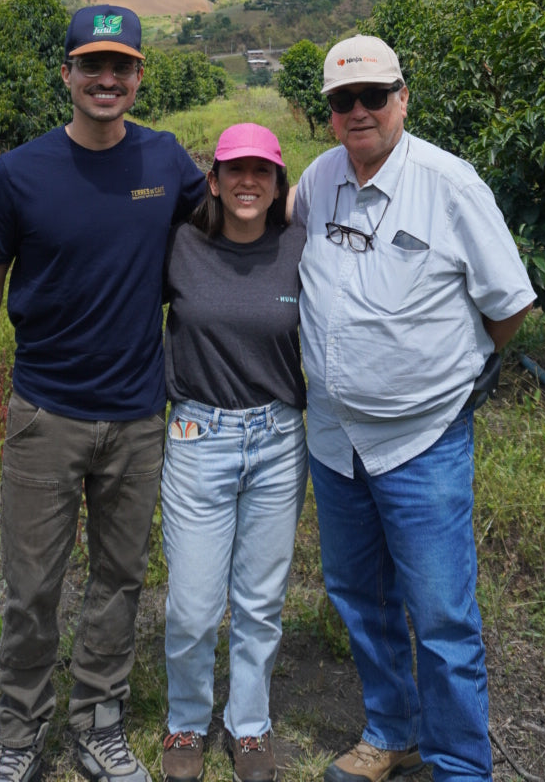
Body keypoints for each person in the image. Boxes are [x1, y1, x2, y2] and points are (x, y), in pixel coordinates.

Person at [0, 5, 207, 782]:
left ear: (138, 77)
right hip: (45, 415)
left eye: (121, 66)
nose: (106, 79)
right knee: (33, 588)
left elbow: (240, 218)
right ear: (65, 74)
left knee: (119, 581)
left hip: (136, 416)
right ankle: (20, 735)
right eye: (91, 65)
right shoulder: (21, 172)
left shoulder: (166, 162)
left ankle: (100, 725)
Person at [293, 36, 535, 782]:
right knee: (359, 596)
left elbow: (508, 307)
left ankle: (461, 764)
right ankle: (391, 731)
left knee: (441, 616)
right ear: (330, 113)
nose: (359, 111)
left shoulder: (448, 183)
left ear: (403, 97)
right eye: (343, 100)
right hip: (334, 439)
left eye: (374, 95)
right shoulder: (318, 178)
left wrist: (453, 373)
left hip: (421, 439)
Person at [160, 124, 307, 782]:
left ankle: (249, 727)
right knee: (192, 603)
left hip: (278, 439)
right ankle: (186, 720)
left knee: (259, 600)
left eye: (264, 171)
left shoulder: (300, 248)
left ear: (279, 185)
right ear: (213, 181)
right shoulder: (181, 246)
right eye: (234, 170)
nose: (249, 181)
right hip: (198, 436)